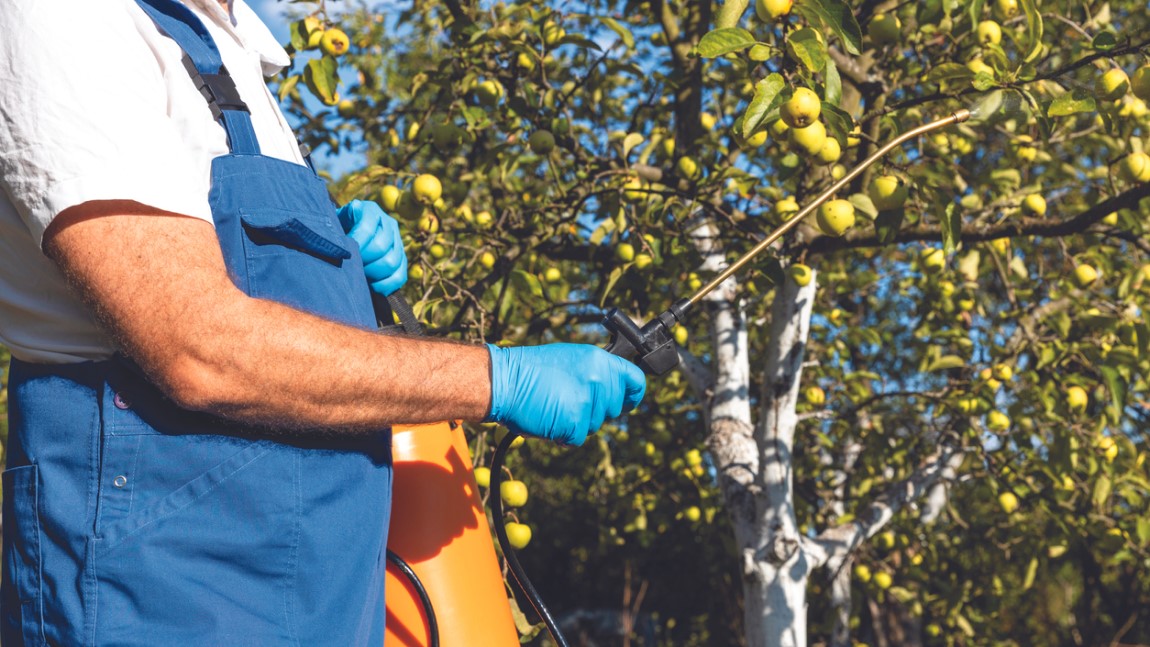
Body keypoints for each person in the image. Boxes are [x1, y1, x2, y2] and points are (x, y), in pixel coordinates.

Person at [0, 0, 647, 644]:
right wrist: (498, 377)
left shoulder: (236, 57)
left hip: (323, 605)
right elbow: (201, 345)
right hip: (163, 597)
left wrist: (338, 272)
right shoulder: (69, 16)